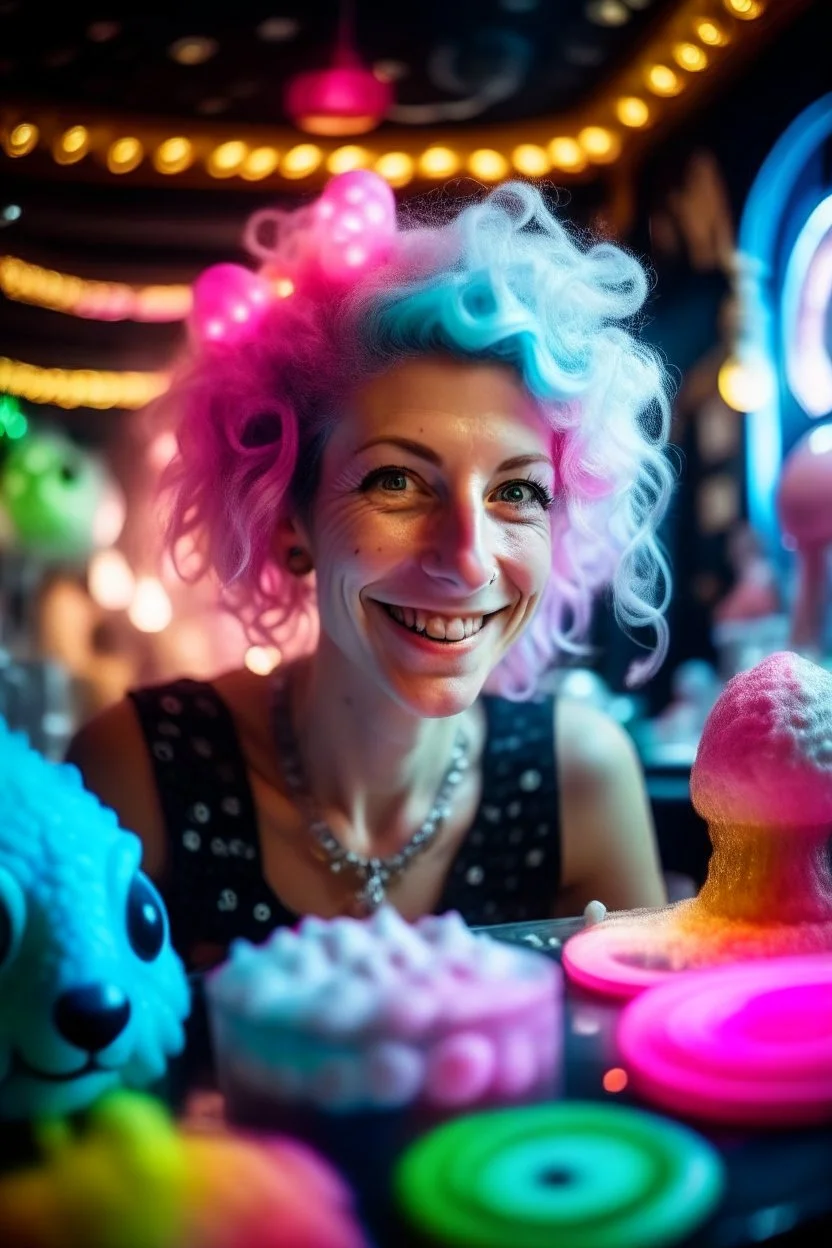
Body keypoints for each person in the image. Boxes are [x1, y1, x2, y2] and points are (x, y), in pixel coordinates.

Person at [66, 173, 674, 971]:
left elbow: (635, 1075)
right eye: (396, 481)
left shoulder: (581, 780)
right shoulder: (138, 767)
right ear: (289, 524)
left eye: (519, 492)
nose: (467, 557)